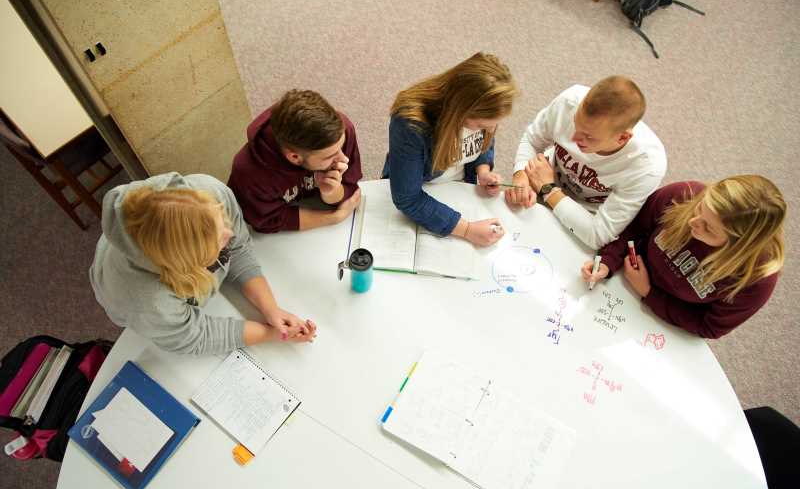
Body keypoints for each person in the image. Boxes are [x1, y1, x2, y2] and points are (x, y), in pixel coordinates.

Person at [89, 172, 316, 355]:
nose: (230, 233)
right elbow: (193, 336)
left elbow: (237, 248)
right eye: (217, 242)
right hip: (137, 304)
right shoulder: (146, 301)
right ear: (186, 260)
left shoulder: (210, 191)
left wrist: (271, 309)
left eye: (222, 223)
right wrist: (270, 335)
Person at [581, 176, 785, 339]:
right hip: (620, 282)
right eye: (700, 209)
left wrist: (648, 292)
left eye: (709, 228)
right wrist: (607, 262)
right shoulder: (684, 195)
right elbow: (633, 228)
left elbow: (709, 326)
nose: (694, 222)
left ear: (738, 244)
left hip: (659, 324)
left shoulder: (756, 278)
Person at [506, 76, 666, 249]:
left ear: (622, 138)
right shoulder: (569, 102)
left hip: (585, 218)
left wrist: (549, 190)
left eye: (588, 136)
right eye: (575, 124)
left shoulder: (646, 166)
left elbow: (598, 235)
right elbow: (532, 140)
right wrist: (520, 174)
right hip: (541, 182)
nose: (574, 138)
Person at [382, 52, 519, 247]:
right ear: (460, 109)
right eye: (480, 124)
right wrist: (467, 230)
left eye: (493, 125)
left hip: (460, 190)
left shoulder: (484, 117)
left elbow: (484, 143)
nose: (490, 130)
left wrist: (483, 170)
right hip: (422, 190)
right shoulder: (410, 123)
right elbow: (407, 198)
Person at [228, 89, 362, 233]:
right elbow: (266, 220)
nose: (344, 159)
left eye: (341, 148)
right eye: (330, 156)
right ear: (294, 157)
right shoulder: (249, 172)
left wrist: (331, 193)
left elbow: (350, 188)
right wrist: (333, 218)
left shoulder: (342, 130)